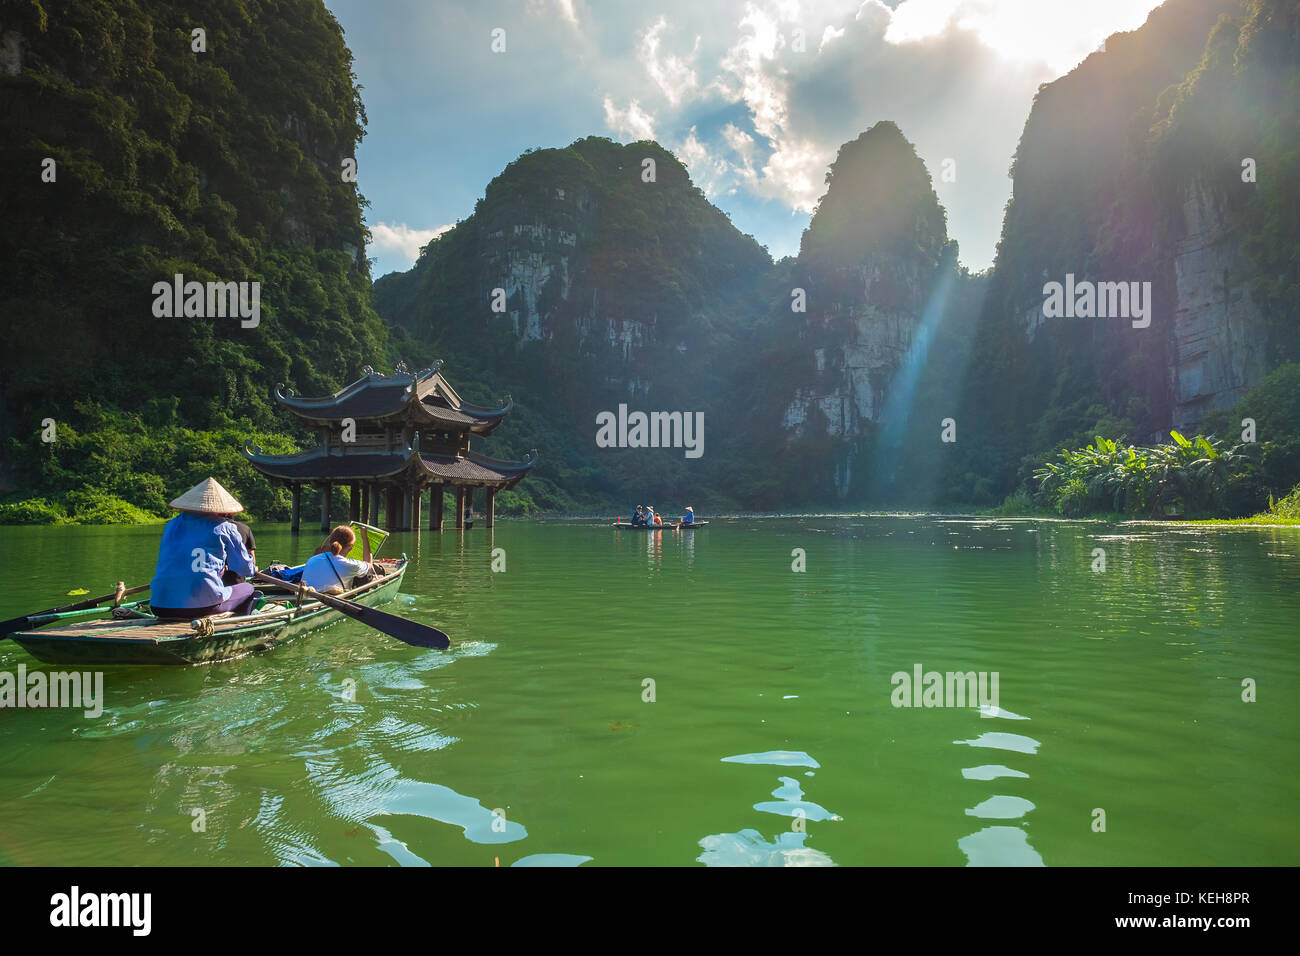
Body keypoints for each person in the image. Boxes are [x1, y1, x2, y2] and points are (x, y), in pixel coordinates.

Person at [149, 478, 258, 619]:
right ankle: (234, 626)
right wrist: (253, 568)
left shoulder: (171, 525)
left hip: (159, 606)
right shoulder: (225, 527)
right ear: (220, 510)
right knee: (248, 589)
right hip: (203, 606)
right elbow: (245, 570)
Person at [301, 525, 372, 593]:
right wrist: (364, 537)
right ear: (350, 547)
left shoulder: (312, 559)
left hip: (306, 597)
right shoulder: (350, 565)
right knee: (368, 576)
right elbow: (369, 565)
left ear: (330, 542)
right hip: (330, 601)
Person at [222, 519, 256, 586]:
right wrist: (254, 568)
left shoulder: (213, 528)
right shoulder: (245, 528)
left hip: (218, 579)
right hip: (238, 580)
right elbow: (251, 555)